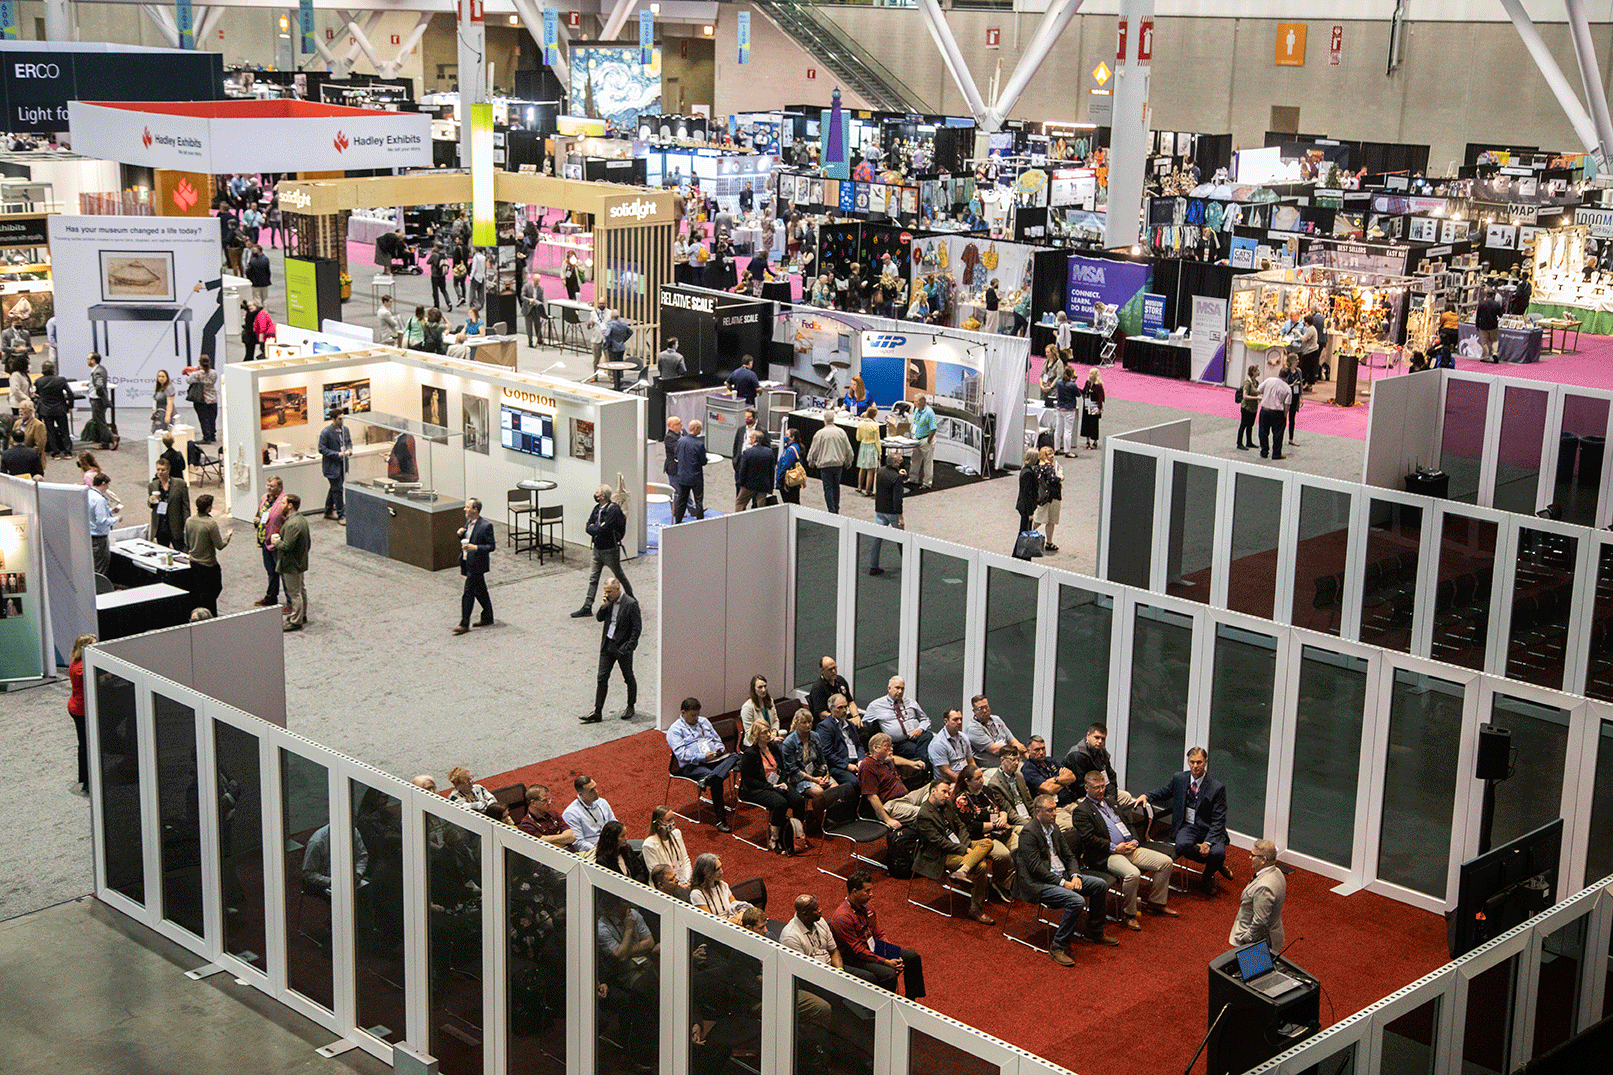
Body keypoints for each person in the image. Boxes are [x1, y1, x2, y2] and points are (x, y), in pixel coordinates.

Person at [1015, 794, 1118, 965]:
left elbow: (1069, 856)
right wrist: (1064, 883)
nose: (1054, 813)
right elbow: (1036, 869)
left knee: (1099, 885)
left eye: (1055, 809)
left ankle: (1095, 931)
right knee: (1076, 901)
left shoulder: (1054, 828)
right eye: (1049, 810)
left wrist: (1076, 875)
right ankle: (1057, 946)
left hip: (1063, 875)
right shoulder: (1028, 833)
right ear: (1037, 812)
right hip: (1040, 883)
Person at [1070, 769, 1176, 931]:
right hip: (1108, 854)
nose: (1101, 790)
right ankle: (1130, 914)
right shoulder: (1081, 811)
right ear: (1087, 788)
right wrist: (1115, 847)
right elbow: (1089, 839)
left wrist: (1134, 840)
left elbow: (1130, 824)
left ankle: (1156, 903)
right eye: (1096, 788)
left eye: (1102, 786)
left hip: (1130, 848)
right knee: (1133, 874)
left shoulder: (1112, 803)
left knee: (1166, 862)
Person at [1141, 747, 1232, 896]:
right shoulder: (1180, 778)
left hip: (1209, 828)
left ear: (1205, 763)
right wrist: (1147, 796)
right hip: (1188, 826)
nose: (1195, 766)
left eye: (1199, 762)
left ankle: (1208, 875)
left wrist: (1207, 843)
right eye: (1192, 762)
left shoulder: (1217, 788)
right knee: (1182, 845)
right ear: (1188, 762)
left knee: (1218, 852)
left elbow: (1219, 819)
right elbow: (1165, 792)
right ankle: (1214, 863)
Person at [913, 777, 997, 924]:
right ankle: (976, 909)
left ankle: (962, 870)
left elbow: (961, 827)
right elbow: (939, 843)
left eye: (948, 792)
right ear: (933, 791)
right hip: (940, 854)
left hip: (959, 844)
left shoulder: (947, 805)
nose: (947, 795)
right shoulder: (924, 815)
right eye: (944, 792)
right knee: (981, 866)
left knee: (987, 842)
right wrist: (965, 849)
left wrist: (966, 845)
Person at [665, 697, 736, 833]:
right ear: (683, 713)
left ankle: (708, 778)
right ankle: (721, 819)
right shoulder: (675, 730)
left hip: (713, 759)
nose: (696, 718)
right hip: (691, 766)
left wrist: (719, 750)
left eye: (697, 714)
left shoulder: (703, 721)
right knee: (717, 781)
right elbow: (681, 755)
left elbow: (717, 739)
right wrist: (703, 756)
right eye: (692, 715)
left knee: (735, 757)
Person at [740, 720, 806, 854]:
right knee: (780, 803)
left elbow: (781, 768)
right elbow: (748, 780)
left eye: (769, 731)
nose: (769, 734)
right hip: (756, 788)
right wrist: (772, 786)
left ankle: (796, 834)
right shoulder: (749, 754)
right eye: (765, 732)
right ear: (756, 735)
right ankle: (774, 839)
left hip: (776, 782)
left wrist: (781, 782)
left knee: (798, 800)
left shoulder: (774, 747)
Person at [573, 482, 633, 617]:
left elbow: (604, 529)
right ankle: (587, 606)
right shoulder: (596, 509)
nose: (596, 494)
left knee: (619, 576)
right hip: (597, 549)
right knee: (593, 578)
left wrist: (597, 528)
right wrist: (597, 528)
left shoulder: (613, 510)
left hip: (609, 550)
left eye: (598, 492)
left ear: (603, 496)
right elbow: (589, 526)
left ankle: (632, 600)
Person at [586, 577, 640, 723]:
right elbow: (599, 618)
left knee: (628, 677)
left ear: (617, 589)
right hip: (607, 645)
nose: (607, 594)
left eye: (609, 591)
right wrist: (603, 606)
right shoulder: (608, 601)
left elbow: (637, 629)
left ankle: (630, 705)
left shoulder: (631, 603)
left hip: (622, 648)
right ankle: (597, 711)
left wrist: (628, 647)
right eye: (605, 591)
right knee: (601, 678)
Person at [864, 674, 934, 767]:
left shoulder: (911, 702)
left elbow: (925, 719)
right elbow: (864, 724)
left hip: (917, 736)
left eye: (902, 689)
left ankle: (920, 765)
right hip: (899, 742)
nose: (900, 691)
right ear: (889, 688)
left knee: (928, 735)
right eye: (897, 688)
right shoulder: (876, 705)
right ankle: (921, 766)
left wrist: (920, 729)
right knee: (922, 750)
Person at [1229, 840, 1286, 951]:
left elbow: (1260, 922)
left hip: (1258, 943)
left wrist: (1247, 939)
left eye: (1253, 855)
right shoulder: (1277, 872)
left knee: (1252, 968)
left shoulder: (1264, 887)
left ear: (1263, 860)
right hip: (1270, 934)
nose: (1250, 857)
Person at [183, 493, 232, 617]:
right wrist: (228, 537)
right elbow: (219, 545)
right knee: (212, 592)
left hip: (194, 563)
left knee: (199, 592)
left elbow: (187, 541)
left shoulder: (189, 521)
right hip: (208, 565)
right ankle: (210, 616)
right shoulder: (210, 524)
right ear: (208, 508)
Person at [268, 493, 310, 631]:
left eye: (283, 503)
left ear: (290, 505)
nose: (281, 505)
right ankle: (301, 615)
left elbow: (287, 546)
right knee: (301, 589)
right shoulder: (301, 520)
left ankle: (296, 621)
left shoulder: (292, 524)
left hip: (291, 563)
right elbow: (307, 543)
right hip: (299, 561)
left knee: (294, 593)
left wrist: (277, 542)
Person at [453, 498, 495, 635]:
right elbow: (468, 538)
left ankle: (464, 623)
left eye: (467, 507)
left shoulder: (486, 526)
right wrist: (461, 535)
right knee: (480, 590)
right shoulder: (468, 522)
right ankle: (488, 616)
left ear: (475, 510)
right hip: (468, 561)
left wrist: (475, 547)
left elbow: (491, 546)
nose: (465, 509)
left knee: (468, 593)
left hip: (477, 564)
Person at [253, 476, 291, 614]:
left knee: (283, 573)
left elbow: (289, 522)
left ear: (280, 488)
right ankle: (271, 598)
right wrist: (257, 519)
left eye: (272, 486)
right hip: (264, 540)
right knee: (271, 572)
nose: (269, 488)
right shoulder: (264, 498)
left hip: (277, 543)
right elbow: (260, 514)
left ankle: (290, 603)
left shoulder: (285, 502)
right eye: (268, 485)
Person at [984, 746, 1036, 847]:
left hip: (1028, 817)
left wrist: (1038, 818)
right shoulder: (995, 784)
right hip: (1015, 823)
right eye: (1013, 760)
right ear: (1002, 760)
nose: (1016, 763)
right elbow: (1010, 814)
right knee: (1032, 832)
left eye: (1018, 759)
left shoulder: (1019, 776)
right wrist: (1033, 825)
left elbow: (1029, 802)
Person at [806, 409, 854, 514]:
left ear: (824, 420)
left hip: (825, 465)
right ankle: (836, 508)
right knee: (836, 486)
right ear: (833, 419)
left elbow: (813, 449)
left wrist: (811, 461)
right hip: (838, 464)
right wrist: (848, 462)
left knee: (828, 488)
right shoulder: (841, 432)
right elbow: (849, 449)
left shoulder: (820, 434)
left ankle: (831, 510)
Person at [68, 633, 97, 794]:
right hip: (81, 710)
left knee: (84, 744)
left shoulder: (76, 662)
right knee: (85, 745)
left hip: (76, 707)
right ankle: (87, 781)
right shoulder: (81, 668)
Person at [815, 694, 866, 786]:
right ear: (831, 708)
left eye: (845, 707)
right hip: (838, 766)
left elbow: (859, 745)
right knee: (856, 782)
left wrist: (861, 760)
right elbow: (827, 754)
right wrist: (847, 766)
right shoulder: (825, 727)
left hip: (855, 762)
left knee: (874, 774)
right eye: (840, 708)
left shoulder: (850, 724)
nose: (844, 711)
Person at [688, 853, 753, 920]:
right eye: (717, 869)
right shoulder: (697, 894)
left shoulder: (723, 885)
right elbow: (710, 921)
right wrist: (733, 921)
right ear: (707, 872)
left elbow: (735, 904)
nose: (721, 871)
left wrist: (741, 913)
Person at [562, 774, 618, 852]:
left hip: (611, 846)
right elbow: (578, 843)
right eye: (591, 790)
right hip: (593, 851)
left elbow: (614, 824)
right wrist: (599, 851)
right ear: (581, 794)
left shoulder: (602, 802)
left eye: (595, 787)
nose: (596, 792)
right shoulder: (571, 814)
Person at [967, 695, 1024, 767]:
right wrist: (1017, 751)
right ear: (974, 711)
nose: (984, 711)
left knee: (1025, 770)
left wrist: (1024, 751)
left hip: (1009, 761)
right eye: (981, 708)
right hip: (990, 768)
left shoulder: (996, 719)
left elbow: (1011, 739)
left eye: (986, 707)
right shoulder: (973, 729)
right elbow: (995, 750)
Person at [31, 360, 72, 459]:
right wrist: (70, 406)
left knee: (50, 431)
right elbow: (70, 393)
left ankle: (55, 453)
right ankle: (67, 452)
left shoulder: (38, 381)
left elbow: (35, 394)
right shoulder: (61, 380)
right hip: (60, 408)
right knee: (64, 430)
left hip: (46, 410)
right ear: (53, 369)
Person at [641, 805, 692, 885]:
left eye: (673, 819)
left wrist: (688, 881)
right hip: (666, 886)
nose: (672, 822)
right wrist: (679, 886)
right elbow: (658, 876)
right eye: (669, 820)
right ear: (658, 823)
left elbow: (685, 860)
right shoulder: (649, 845)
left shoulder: (677, 833)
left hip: (684, 882)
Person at [146, 457, 190, 549]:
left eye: (163, 470)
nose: (160, 472)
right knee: (163, 552)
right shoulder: (152, 485)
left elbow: (186, 506)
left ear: (168, 470)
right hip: (160, 526)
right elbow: (151, 505)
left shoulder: (180, 484)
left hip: (176, 526)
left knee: (181, 552)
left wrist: (187, 525)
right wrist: (150, 501)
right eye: (158, 469)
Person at [318, 410, 352, 523]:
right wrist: (337, 454)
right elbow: (321, 449)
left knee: (335, 488)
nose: (342, 421)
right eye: (339, 419)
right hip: (332, 466)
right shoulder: (326, 432)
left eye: (343, 418)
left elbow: (348, 442)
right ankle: (341, 515)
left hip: (343, 464)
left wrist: (349, 449)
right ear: (333, 419)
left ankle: (328, 511)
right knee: (338, 490)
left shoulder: (345, 430)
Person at [589, 819, 649, 883]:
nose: (626, 838)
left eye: (625, 835)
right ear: (613, 839)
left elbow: (640, 871)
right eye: (622, 836)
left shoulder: (627, 849)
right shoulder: (602, 861)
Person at [672, 418, 708, 523]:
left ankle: (677, 522)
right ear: (696, 429)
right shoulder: (699, 444)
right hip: (696, 477)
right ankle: (700, 523)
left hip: (683, 476)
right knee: (698, 501)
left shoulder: (680, 441)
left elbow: (676, 455)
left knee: (681, 501)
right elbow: (703, 461)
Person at [1256, 365, 1293, 461]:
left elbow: (1259, 390)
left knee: (1263, 432)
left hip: (1265, 410)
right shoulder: (1287, 388)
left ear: (1279, 373)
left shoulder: (1269, 380)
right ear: (1287, 376)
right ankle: (1276, 454)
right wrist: (1285, 415)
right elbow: (1287, 405)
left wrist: (1264, 398)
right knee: (1278, 434)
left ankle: (1264, 452)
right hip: (1278, 412)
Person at [1033, 444, 1064, 553]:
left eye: (1052, 453)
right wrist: (1060, 477)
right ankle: (1048, 542)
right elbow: (1052, 480)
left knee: (1040, 519)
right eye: (1048, 454)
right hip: (1052, 497)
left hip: (1041, 498)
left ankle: (1048, 542)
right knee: (1048, 520)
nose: (1051, 456)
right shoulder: (1049, 467)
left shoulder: (1037, 467)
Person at [180, 355, 218, 444]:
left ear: (199, 362)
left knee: (203, 418)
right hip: (212, 398)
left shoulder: (196, 374)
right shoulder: (213, 373)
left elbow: (188, 380)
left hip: (201, 399)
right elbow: (214, 380)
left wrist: (194, 370)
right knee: (212, 418)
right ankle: (212, 435)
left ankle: (206, 437)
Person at [735, 429, 774, 511]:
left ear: (754, 439)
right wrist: (770, 487)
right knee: (761, 507)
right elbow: (771, 471)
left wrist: (740, 483)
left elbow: (743, 470)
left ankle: (738, 522)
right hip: (763, 485)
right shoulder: (769, 452)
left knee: (740, 503)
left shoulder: (747, 452)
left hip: (748, 484)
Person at [88, 472, 118, 575]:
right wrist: (116, 519)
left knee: (93, 565)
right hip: (99, 538)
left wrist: (110, 511)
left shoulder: (88, 494)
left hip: (90, 536)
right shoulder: (100, 499)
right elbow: (102, 521)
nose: (107, 488)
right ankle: (100, 590)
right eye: (107, 485)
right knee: (100, 567)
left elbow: (93, 512)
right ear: (103, 483)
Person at [86, 353, 114, 449]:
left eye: (88, 359)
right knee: (100, 420)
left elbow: (99, 386)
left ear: (93, 360)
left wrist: (99, 396)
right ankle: (112, 438)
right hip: (97, 399)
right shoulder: (100, 369)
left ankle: (105, 443)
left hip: (97, 400)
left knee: (100, 422)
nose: (87, 360)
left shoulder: (97, 371)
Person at [910, 394, 938, 489]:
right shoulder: (917, 410)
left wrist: (928, 441)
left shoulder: (930, 412)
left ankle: (927, 483)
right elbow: (915, 423)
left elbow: (933, 428)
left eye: (915, 401)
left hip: (926, 440)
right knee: (915, 460)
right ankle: (913, 479)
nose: (914, 403)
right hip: (917, 439)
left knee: (927, 462)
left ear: (922, 402)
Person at [1054, 366, 1082, 457]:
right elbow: (1078, 394)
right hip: (1069, 409)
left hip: (1060, 408)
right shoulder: (1072, 385)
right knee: (1068, 431)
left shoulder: (1059, 382)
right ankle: (1067, 451)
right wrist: (1074, 381)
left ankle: (1056, 448)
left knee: (1058, 429)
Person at [854, 404, 881, 497]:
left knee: (862, 468)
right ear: (874, 415)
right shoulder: (875, 426)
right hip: (872, 446)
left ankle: (859, 486)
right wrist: (879, 452)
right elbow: (877, 440)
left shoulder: (861, 424)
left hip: (863, 446)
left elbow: (858, 438)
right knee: (871, 470)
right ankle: (868, 490)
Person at [775, 426, 805, 505]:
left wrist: (779, 480)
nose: (785, 437)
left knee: (790, 503)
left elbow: (785, 466)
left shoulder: (790, 450)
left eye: (787, 435)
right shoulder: (796, 447)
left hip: (788, 482)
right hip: (794, 482)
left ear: (792, 437)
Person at [1236, 363, 1261, 450]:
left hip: (1253, 407)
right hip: (1246, 407)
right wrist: (1256, 397)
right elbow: (1245, 396)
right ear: (1253, 372)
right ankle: (1239, 443)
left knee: (1250, 425)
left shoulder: (1256, 383)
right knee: (1243, 424)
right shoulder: (1247, 382)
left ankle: (1249, 442)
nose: (1259, 372)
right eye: (1257, 370)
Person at [1015, 448, 1039, 536]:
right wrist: (1030, 513)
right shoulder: (1028, 474)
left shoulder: (1025, 470)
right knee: (1024, 530)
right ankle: (1019, 549)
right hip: (1025, 507)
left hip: (1024, 506)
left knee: (1024, 530)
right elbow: (1027, 494)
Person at [1475, 290, 1503, 362]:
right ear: (1493, 296)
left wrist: (1477, 325)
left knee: (1484, 342)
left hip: (1483, 326)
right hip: (1493, 325)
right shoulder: (1496, 304)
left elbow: (1478, 316)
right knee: (1494, 341)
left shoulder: (1481, 304)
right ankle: (1494, 353)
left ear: (1486, 295)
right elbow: (1500, 315)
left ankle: (1486, 357)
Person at [1283, 354, 1304, 445]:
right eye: (1296, 359)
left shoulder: (1298, 371)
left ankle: (1291, 438)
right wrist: (1291, 385)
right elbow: (1282, 384)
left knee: (1292, 418)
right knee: (1283, 418)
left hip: (1295, 397)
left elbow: (1300, 385)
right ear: (1291, 361)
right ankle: (1279, 436)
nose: (1298, 361)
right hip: (1287, 396)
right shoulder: (1286, 371)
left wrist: (1301, 397)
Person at [1081, 368, 1105, 450]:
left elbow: (1101, 398)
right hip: (1087, 406)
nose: (1090, 375)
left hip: (1094, 407)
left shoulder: (1098, 385)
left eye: (1091, 374)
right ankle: (1087, 441)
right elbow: (1084, 391)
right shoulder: (1087, 383)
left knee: (1094, 424)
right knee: (1086, 422)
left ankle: (1094, 441)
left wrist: (1099, 408)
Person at [429, 245, 452, 311]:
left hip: (435, 275)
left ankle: (436, 305)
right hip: (442, 275)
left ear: (436, 248)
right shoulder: (444, 255)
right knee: (444, 290)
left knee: (435, 291)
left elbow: (428, 262)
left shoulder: (434, 255)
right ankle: (449, 302)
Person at [662, 415, 682, 485]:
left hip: (683, 467)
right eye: (678, 424)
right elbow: (677, 450)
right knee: (675, 490)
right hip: (674, 468)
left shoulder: (682, 433)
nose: (681, 425)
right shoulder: (669, 437)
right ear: (671, 426)